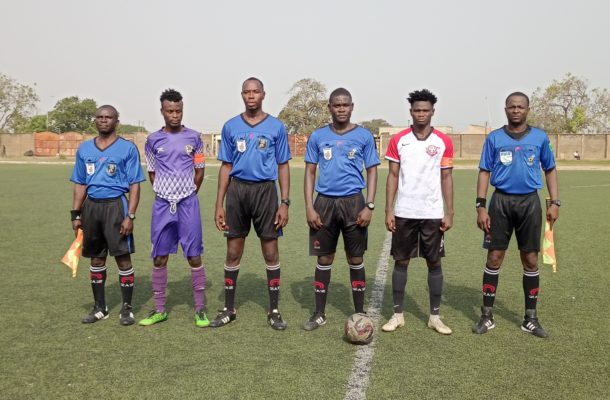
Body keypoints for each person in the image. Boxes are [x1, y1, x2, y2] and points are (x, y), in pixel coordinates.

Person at [473, 92, 559, 338]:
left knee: (530, 259)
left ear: (528, 109)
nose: (516, 110)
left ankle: (530, 318)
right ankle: (487, 315)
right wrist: (480, 205)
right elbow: (484, 171)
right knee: (494, 257)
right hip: (500, 202)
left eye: (521, 107)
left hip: (529, 203)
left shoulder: (540, 138)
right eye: (512, 106)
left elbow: (550, 170)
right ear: (505, 109)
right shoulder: (494, 138)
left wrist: (555, 202)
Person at [212, 77, 291, 330]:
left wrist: (284, 202)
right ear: (242, 95)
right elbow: (226, 166)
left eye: (255, 91)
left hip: (265, 192)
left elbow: (282, 165)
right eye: (246, 92)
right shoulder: (231, 126)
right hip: (237, 192)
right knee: (233, 251)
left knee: (270, 252)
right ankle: (228, 308)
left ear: (264, 95)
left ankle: (274, 309)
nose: (251, 96)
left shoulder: (276, 127)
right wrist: (219, 204)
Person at [302, 87, 380, 331]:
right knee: (324, 257)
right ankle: (319, 313)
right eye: (337, 105)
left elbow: (373, 170)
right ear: (329, 107)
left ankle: (359, 312)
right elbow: (309, 172)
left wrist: (369, 205)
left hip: (354, 202)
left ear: (352, 107)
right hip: (324, 202)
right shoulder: (318, 136)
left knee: (355, 257)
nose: (341, 109)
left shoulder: (364, 136)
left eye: (345, 105)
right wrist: (309, 207)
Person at [381, 89, 454, 335]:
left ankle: (435, 316)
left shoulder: (443, 141)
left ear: (433, 112)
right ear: (410, 112)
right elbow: (392, 175)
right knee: (401, 261)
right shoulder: (399, 140)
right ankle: (398, 314)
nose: (421, 114)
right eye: (417, 110)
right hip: (404, 211)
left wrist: (449, 211)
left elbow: (446, 177)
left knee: (434, 262)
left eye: (425, 110)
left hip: (433, 212)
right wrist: (389, 209)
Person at [138, 89, 209, 328]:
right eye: (170, 111)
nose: (174, 115)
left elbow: (199, 171)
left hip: (188, 203)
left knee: (194, 255)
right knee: (159, 257)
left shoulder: (195, 138)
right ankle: (159, 309)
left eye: (178, 111)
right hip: (162, 204)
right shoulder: (152, 140)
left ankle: (199, 309)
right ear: (162, 112)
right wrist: (165, 192)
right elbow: (151, 171)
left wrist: (187, 194)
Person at [70, 105, 145, 325]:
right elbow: (80, 183)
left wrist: (130, 216)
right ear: (96, 120)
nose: (104, 120)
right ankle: (99, 308)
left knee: (122, 257)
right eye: (100, 117)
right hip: (92, 207)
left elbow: (134, 185)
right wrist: (76, 214)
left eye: (108, 117)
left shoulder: (127, 149)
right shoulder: (84, 149)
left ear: (116, 121)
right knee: (96, 257)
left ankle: (127, 309)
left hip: (116, 207)